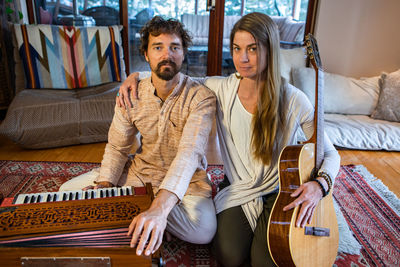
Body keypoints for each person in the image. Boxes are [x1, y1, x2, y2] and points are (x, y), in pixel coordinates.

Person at [117, 12, 340, 267]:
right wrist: (135, 77)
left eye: (252, 49)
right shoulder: (220, 88)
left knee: (266, 262)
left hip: (279, 191)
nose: (242, 58)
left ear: (270, 50)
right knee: (228, 256)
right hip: (237, 188)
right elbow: (172, 79)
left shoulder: (294, 99)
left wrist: (320, 185)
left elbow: (331, 154)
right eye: (237, 48)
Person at [59, 16, 217, 257]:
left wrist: (160, 208)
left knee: (203, 231)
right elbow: (117, 147)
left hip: (186, 186)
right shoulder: (131, 94)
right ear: (146, 54)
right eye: (158, 47)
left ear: (183, 53)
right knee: (65, 193)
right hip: (140, 176)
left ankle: (143, 211)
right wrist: (105, 188)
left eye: (175, 47)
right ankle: (139, 209)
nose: (167, 54)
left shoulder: (201, 98)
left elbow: (189, 154)